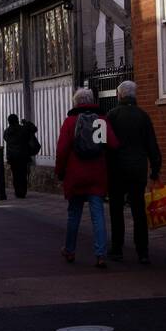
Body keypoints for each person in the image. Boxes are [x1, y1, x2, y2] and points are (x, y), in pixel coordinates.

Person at [55, 87, 119, 267]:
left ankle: (69, 250)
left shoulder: (70, 122)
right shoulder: (101, 120)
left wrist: (60, 171)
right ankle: (100, 254)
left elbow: (62, 150)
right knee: (98, 215)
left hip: (76, 174)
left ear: (76, 102)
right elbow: (113, 144)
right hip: (97, 173)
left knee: (74, 214)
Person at [106, 79, 162, 266]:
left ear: (119, 95)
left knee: (116, 210)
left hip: (116, 170)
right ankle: (142, 251)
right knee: (139, 211)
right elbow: (152, 145)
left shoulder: (111, 116)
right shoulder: (143, 116)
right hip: (138, 169)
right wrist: (155, 170)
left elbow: (104, 144)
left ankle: (117, 248)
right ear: (134, 96)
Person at [3, 113, 39, 199]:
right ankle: (22, 192)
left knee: (15, 174)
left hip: (12, 157)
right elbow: (34, 129)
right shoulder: (23, 129)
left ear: (9, 122)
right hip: (23, 156)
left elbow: (6, 139)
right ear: (17, 120)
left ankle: (17, 191)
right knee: (23, 174)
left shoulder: (7, 132)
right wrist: (26, 123)